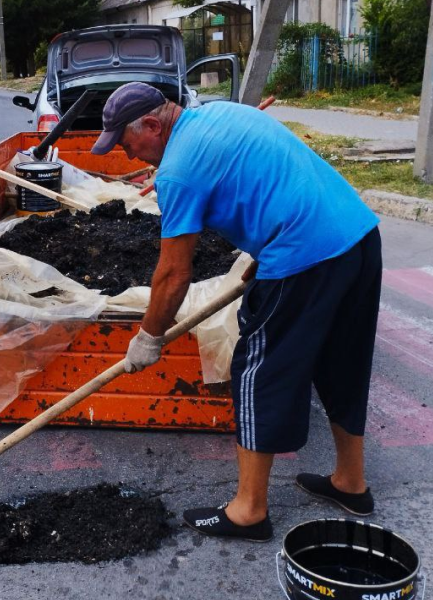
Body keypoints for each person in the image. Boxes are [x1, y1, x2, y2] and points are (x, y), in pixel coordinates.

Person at [91, 82, 381, 542]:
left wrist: (148, 337)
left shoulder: (178, 172)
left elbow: (172, 274)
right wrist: (259, 255)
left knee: (256, 370)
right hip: (357, 236)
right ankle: (351, 483)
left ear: (151, 124)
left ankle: (248, 510)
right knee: (341, 361)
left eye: (126, 144)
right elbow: (274, 178)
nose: (127, 156)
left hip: (305, 254)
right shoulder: (221, 114)